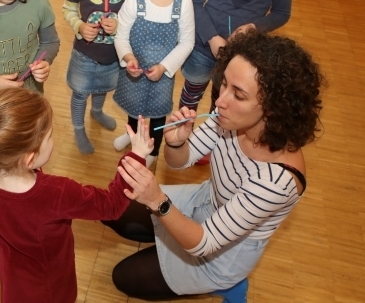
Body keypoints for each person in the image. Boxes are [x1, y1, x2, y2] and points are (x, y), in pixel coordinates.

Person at [104, 30, 324, 302]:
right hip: (206, 200)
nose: (220, 101)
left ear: (273, 108)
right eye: (225, 85)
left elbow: (204, 243)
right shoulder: (229, 119)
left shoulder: (276, 182)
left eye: (239, 95)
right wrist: (175, 143)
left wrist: (158, 200)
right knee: (112, 209)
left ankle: (228, 284)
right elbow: (180, 163)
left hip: (221, 251)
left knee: (124, 277)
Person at [0, 87, 151, 303]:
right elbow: (111, 206)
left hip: (14, 285)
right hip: (50, 288)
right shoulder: (57, 193)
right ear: (29, 159)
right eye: (49, 136)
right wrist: (137, 156)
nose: (52, 140)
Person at [112, 0, 195, 169]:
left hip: (162, 75)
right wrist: (128, 58)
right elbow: (121, 36)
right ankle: (133, 136)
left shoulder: (184, 3)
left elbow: (187, 43)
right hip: (135, 71)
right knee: (133, 108)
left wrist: (165, 67)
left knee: (158, 115)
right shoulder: (133, 0)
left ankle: (153, 152)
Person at [62, 0, 140, 154]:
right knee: (80, 92)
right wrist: (79, 26)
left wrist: (120, 27)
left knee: (103, 88)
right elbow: (68, 9)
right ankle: (78, 127)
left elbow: (138, 16)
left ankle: (97, 111)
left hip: (113, 56)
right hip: (85, 55)